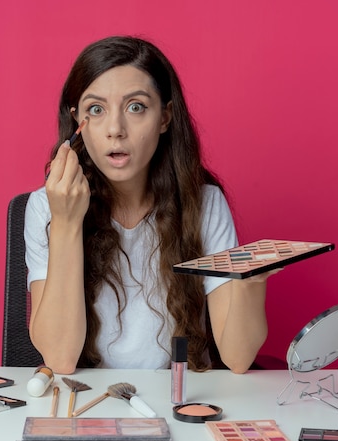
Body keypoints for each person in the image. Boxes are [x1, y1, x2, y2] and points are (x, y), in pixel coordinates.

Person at [24, 35, 278, 375]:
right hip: (89, 399)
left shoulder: (204, 204)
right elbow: (60, 359)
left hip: (178, 398)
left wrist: (250, 280)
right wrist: (67, 223)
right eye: (95, 110)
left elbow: (237, 356)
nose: (115, 129)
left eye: (136, 107)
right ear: (77, 126)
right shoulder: (44, 207)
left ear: (165, 117)